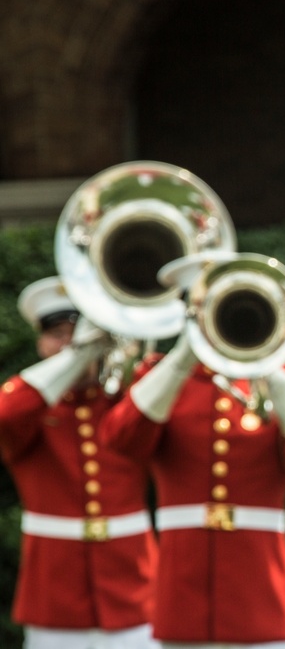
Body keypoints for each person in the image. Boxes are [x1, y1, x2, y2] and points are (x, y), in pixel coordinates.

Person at [99, 253, 285, 649]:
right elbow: (121, 441)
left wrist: (265, 361)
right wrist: (183, 356)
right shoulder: (160, 378)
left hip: (260, 604)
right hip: (179, 604)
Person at [0, 277, 159, 649]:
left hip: (133, 591)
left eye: (81, 334)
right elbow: (5, 419)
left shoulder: (125, 402)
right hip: (55, 596)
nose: (70, 342)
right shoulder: (29, 407)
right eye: (58, 334)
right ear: (40, 344)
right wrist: (79, 356)